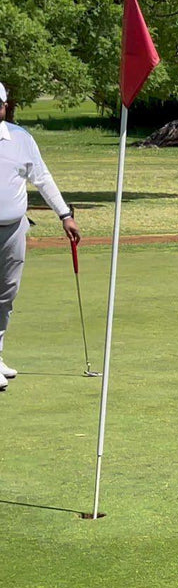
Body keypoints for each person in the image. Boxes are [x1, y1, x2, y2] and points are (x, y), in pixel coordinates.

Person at [0, 82, 81, 391]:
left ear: (5, 107)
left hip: (13, 228)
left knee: (6, 294)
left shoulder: (21, 139)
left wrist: (65, 215)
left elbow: (42, 178)